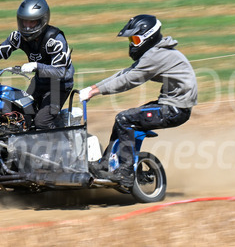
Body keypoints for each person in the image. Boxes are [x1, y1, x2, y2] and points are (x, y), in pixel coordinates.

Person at [78, 14, 198, 186]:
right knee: (123, 120)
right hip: (170, 104)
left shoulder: (157, 56)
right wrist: (93, 88)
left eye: (135, 40)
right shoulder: (156, 52)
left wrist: (96, 92)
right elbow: (125, 73)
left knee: (124, 119)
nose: (132, 44)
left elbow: (129, 80)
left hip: (175, 109)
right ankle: (105, 164)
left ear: (148, 37)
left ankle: (125, 173)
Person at [0, 0, 75, 130]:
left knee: (42, 122)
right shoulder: (18, 37)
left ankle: (62, 146)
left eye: (32, 22)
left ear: (42, 21)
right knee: (23, 116)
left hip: (59, 85)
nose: (27, 27)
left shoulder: (55, 40)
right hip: (40, 81)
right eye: (24, 22)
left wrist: (36, 66)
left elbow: (60, 71)